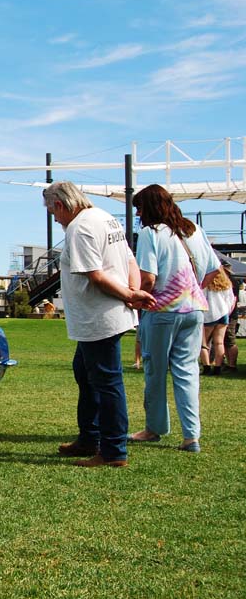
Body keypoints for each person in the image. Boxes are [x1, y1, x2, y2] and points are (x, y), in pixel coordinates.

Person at [43, 181, 153, 468]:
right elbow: (130, 260)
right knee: (84, 371)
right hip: (108, 314)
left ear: (60, 205)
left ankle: (113, 451)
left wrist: (129, 295)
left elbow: (96, 276)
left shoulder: (79, 228)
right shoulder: (106, 217)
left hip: (98, 318)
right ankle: (89, 437)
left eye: (53, 213)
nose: (55, 220)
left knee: (106, 382)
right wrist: (132, 292)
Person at [131, 184, 219, 454]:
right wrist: (192, 291)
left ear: (148, 208)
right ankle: (191, 436)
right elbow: (214, 270)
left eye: (139, 208)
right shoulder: (193, 230)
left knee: (155, 371)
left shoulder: (150, 233)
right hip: (194, 310)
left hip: (161, 311)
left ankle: (154, 428)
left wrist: (135, 298)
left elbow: (149, 278)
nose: (138, 214)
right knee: (187, 371)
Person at [201, 265, 234, 375]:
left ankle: (206, 367)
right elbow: (230, 299)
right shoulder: (226, 283)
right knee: (219, 343)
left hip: (208, 315)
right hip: (223, 313)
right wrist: (226, 311)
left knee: (203, 343)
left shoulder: (205, 283)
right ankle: (218, 367)